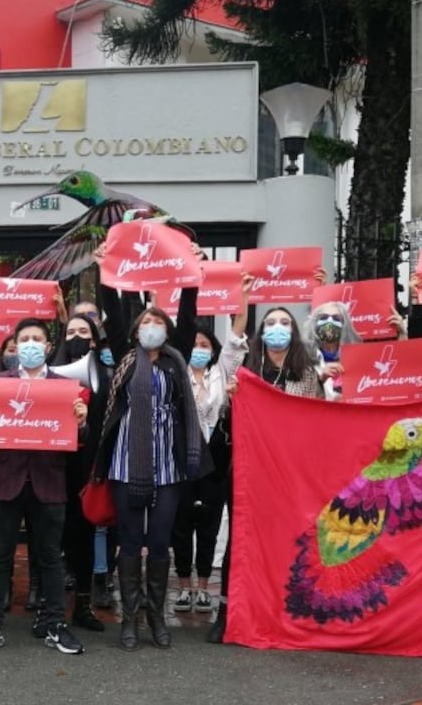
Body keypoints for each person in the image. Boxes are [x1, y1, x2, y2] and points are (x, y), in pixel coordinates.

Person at [93, 240, 207, 651]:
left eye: (157, 321)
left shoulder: (177, 359)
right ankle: (129, 620)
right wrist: (106, 270)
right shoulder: (126, 356)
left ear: (167, 330)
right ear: (136, 331)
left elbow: (189, 316)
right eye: (145, 322)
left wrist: (192, 275)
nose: (151, 326)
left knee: (159, 541)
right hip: (127, 464)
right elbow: (112, 307)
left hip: (169, 467)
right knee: (129, 541)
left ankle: (157, 617)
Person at [209, 273, 324, 643]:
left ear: (294, 332)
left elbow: (318, 419)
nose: (277, 328)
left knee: (285, 540)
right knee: (241, 539)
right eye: (271, 322)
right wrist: (242, 302)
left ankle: (278, 610)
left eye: (285, 323)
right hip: (246, 470)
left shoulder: (308, 374)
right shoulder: (245, 370)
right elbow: (232, 346)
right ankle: (227, 612)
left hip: (288, 472)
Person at [0, 318, 90, 655]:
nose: (31, 344)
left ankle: (55, 624)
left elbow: (79, 439)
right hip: (6, 480)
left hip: (49, 481)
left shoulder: (65, 387)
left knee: (50, 557)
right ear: (16, 346)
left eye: (37, 339)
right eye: (24, 339)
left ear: (47, 347)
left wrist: (81, 422)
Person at [50, 313, 110, 631]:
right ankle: (50, 607)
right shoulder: (49, 373)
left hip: (88, 468)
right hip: (53, 468)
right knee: (51, 537)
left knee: (84, 537)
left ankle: (83, 606)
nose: (76, 337)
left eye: (83, 331)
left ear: (94, 340)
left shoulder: (106, 375)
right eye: (70, 331)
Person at [171, 325, 229, 615]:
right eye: (194, 344)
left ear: (213, 349)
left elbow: (236, 344)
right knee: (181, 527)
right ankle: (184, 587)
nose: (199, 349)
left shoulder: (222, 373)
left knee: (209, 526)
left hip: (215, 461)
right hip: (183, 459)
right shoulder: (176, 374)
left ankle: (204, 588)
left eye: (204, 345)